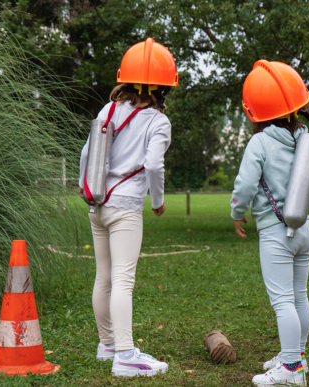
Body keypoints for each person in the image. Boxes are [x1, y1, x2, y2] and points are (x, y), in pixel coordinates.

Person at [78, 38, 177, 377]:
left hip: (97, 203)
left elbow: (86, 152)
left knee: (103, 277)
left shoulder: (108, 110)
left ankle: (107, 345)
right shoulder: (158, 122)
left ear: (127, 79)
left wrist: (83, 183)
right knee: (123, 278)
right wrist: (159, 201)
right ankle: (125, 355)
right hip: (126, 206)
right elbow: (153, 165)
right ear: (164, 88)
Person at [230, 59, 309, 387]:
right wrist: (298, 207)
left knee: (283, 300)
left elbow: (244, 185)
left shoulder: (260, 142)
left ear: (254, 110)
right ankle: (297, 357)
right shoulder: (305, 138)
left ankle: (289, 369)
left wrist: (237, 212)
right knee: (300, 295)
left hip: (275, 232)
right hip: (305, 229)